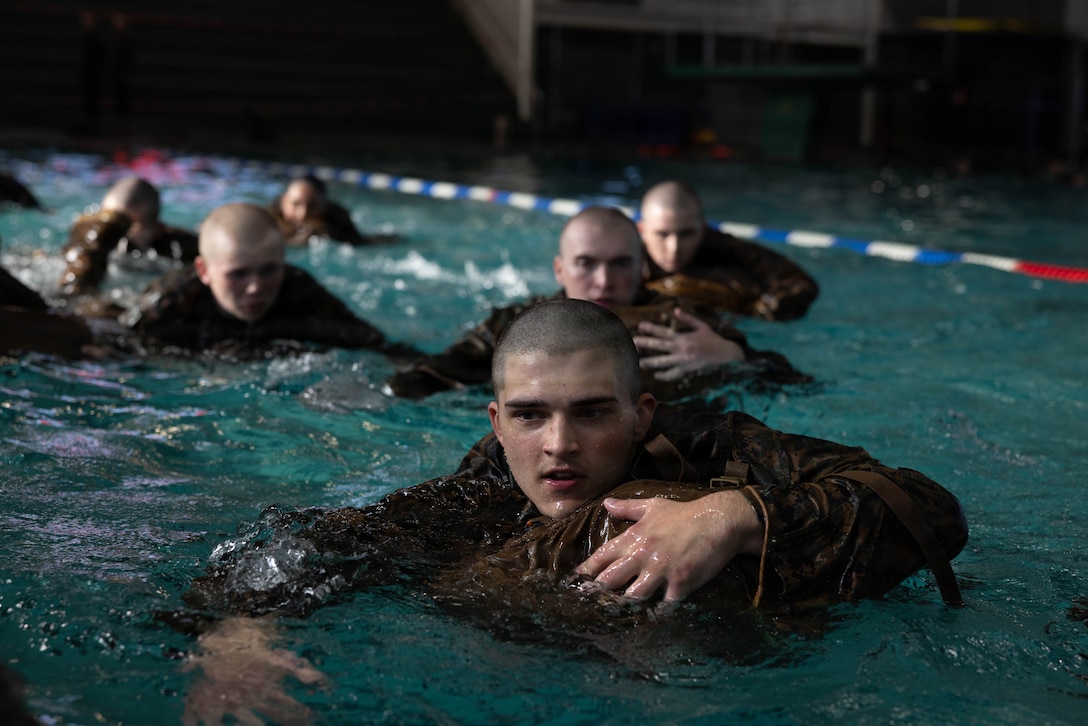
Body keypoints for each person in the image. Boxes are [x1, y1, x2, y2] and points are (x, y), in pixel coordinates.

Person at [177, 298, 967, 721]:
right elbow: (318, 540)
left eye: (593, 413)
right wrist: (237, 630)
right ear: (496, 422)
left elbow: (931, 508)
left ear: (642, 412)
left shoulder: (717, 446)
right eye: (529, 416)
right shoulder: (483, 492)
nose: (559, 445)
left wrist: (735, 515)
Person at [388, 206, 808, 401]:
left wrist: (733, 354)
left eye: (621, 264)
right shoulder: (518, 322)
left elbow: (793, 382)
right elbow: (437, 372)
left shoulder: (684, 318)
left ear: (642, 267)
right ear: (560, 269)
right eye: (587, 264)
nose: (604, 281)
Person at [119, 201, 416, 358]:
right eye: (238, 274)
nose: (256, 287)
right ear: (204, 271)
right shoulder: (170, 302)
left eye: (269, 270)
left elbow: (377, 344)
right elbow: (112, 345)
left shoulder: (299, 290)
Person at [637, 180, 819, 321]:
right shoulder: (625, 258)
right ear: (642, 231)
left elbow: (800, 282)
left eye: (686, 234)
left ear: (703, 230)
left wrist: (751, 307)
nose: (674, 248)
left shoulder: (727, 249)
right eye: (662, 234)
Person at [57, 176, 199, 295]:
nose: (112, 234)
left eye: (126, 227)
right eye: (107, 221)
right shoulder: (90, 245)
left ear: (156, 229)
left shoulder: (179, 251)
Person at [269, 175, 396, 246]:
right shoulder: (268, 220)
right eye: (295, 204)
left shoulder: (337, 220)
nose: (302, 214)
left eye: (312, 206)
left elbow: (360, 243)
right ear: (283, 201)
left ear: (325, 206)